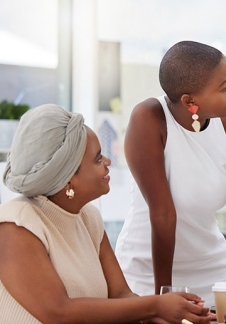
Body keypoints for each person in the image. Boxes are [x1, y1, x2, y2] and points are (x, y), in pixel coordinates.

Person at [115, 40, 226, 318]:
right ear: (190, 101)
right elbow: (163, 213)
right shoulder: (150, 119)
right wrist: (163, 297)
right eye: (224, 87)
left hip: (214, 276)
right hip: (148, 274)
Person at [0, 104, 211, 324]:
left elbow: (120, 295)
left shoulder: (89, 218)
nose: (108, 163)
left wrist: (160, 315)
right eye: (98, 159)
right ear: (68, 179)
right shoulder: (17, 224)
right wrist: (156, 305)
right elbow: (58, 312)